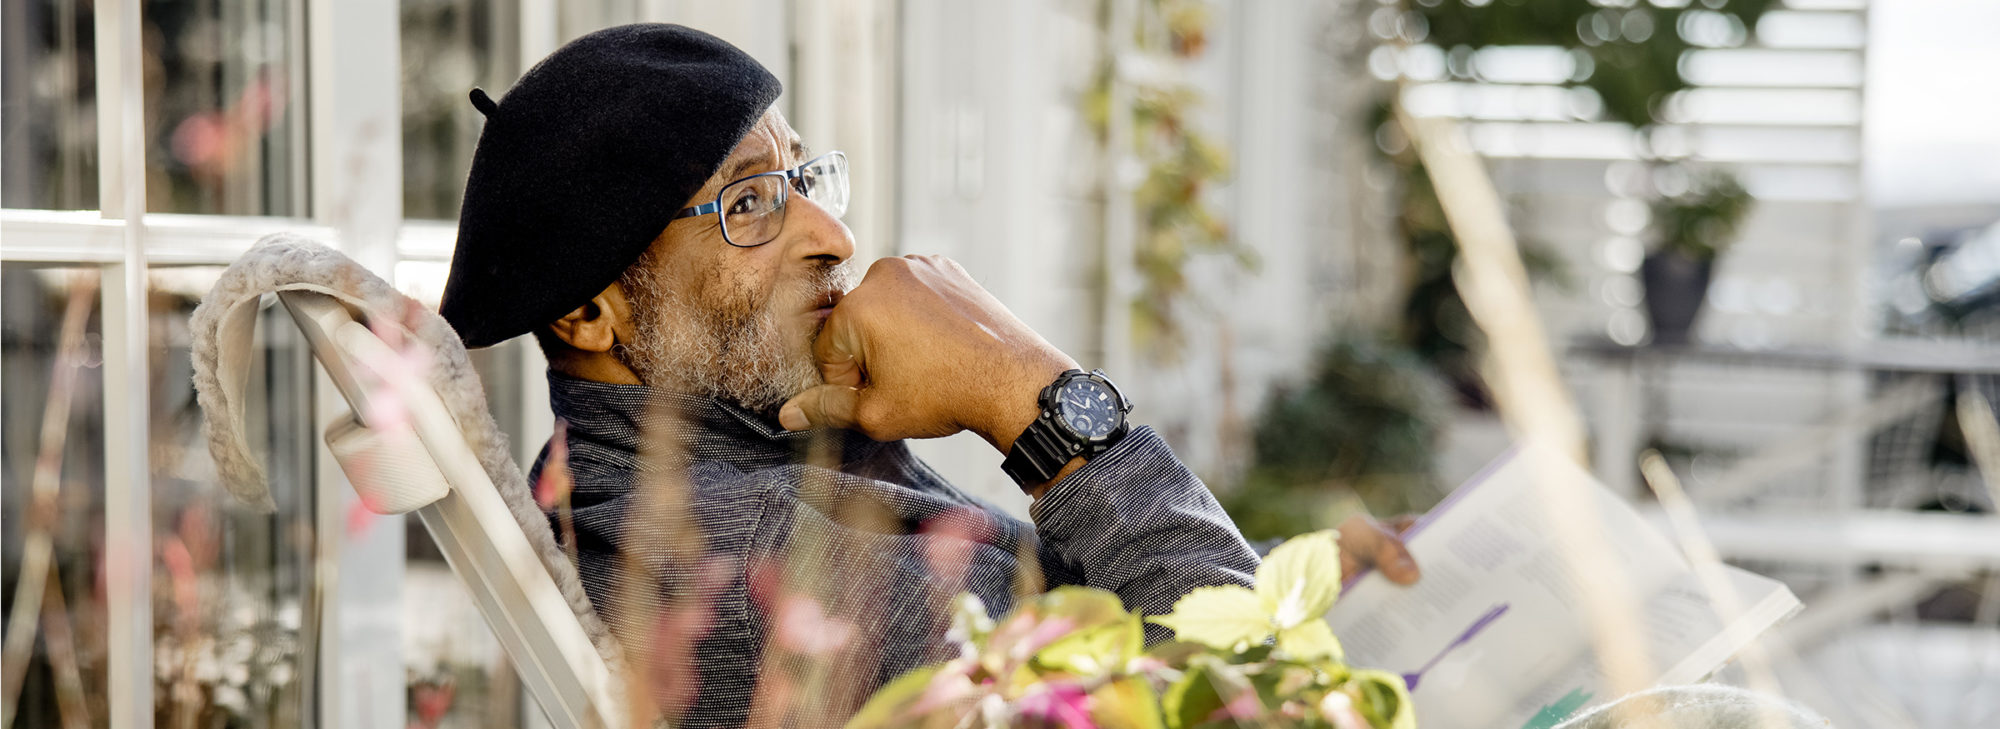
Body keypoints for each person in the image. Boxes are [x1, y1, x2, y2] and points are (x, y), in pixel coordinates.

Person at [437, 23, 1420, 728]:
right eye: (748, 202)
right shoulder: (743, 572)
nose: (833, 238)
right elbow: (1249, 706)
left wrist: (1301, 577)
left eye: (801, 180)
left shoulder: (768, 453)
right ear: (588, 312)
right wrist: (1035, 404)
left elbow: (1083, 629)